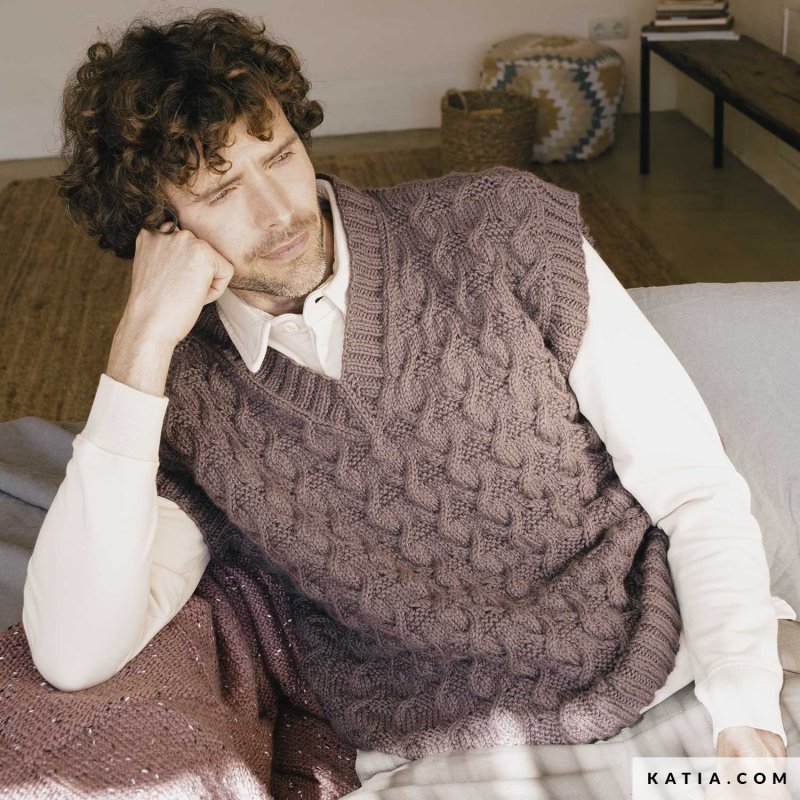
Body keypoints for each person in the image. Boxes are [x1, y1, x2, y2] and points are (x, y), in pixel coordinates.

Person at [8, 7, 798, 799]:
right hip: (448, 756)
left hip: (687, 673)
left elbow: (693, 486)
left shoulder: (503, 228)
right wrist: (139, 345)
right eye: (220, 190)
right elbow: (74, 653)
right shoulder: (191, 400)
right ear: (158, 227)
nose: (278, 211)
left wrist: (744, 710)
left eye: (279, 155)